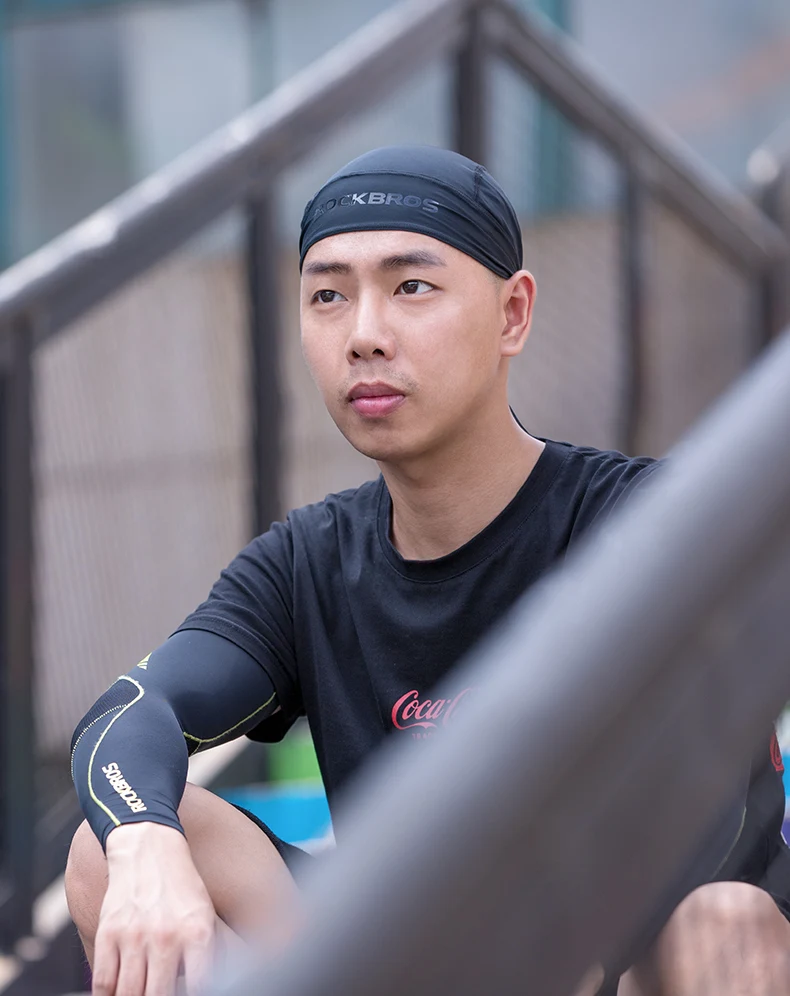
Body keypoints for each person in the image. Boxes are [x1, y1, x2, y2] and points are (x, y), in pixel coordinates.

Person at [66, 146, 790, 996]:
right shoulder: (307, 562)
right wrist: (142, 842)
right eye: (329, 295)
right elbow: (132, 711)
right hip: (412, 959)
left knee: (727, 926)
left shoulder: (645, 523)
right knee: (108, 850)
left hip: (623, 968)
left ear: (513, 314)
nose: (365, 335)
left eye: (411, 287)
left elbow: (712, 818)